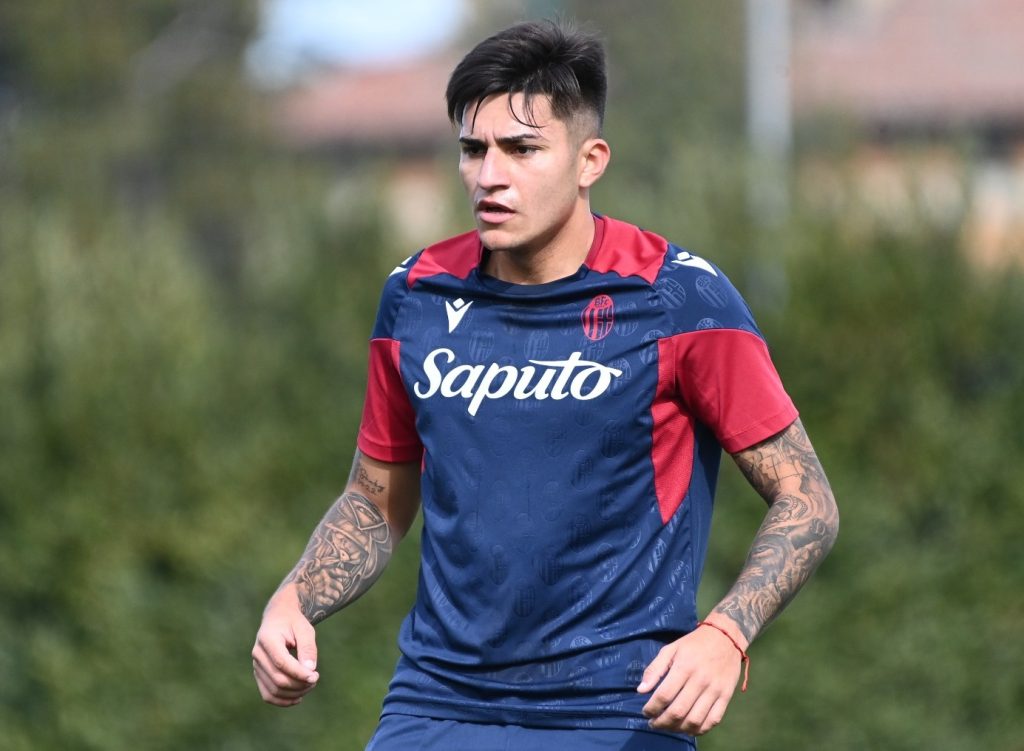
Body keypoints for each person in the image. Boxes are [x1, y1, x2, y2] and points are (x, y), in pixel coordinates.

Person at [252, 19, 839, 750]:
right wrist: (294, 597)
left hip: (617, 712)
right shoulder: (416, 296)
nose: (489, 175)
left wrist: (727, 632)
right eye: (473, 149)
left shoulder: (681, 299)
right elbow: (376, 500)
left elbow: (808, 499)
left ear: (590, 160)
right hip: (435, 703)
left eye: (522, 149)